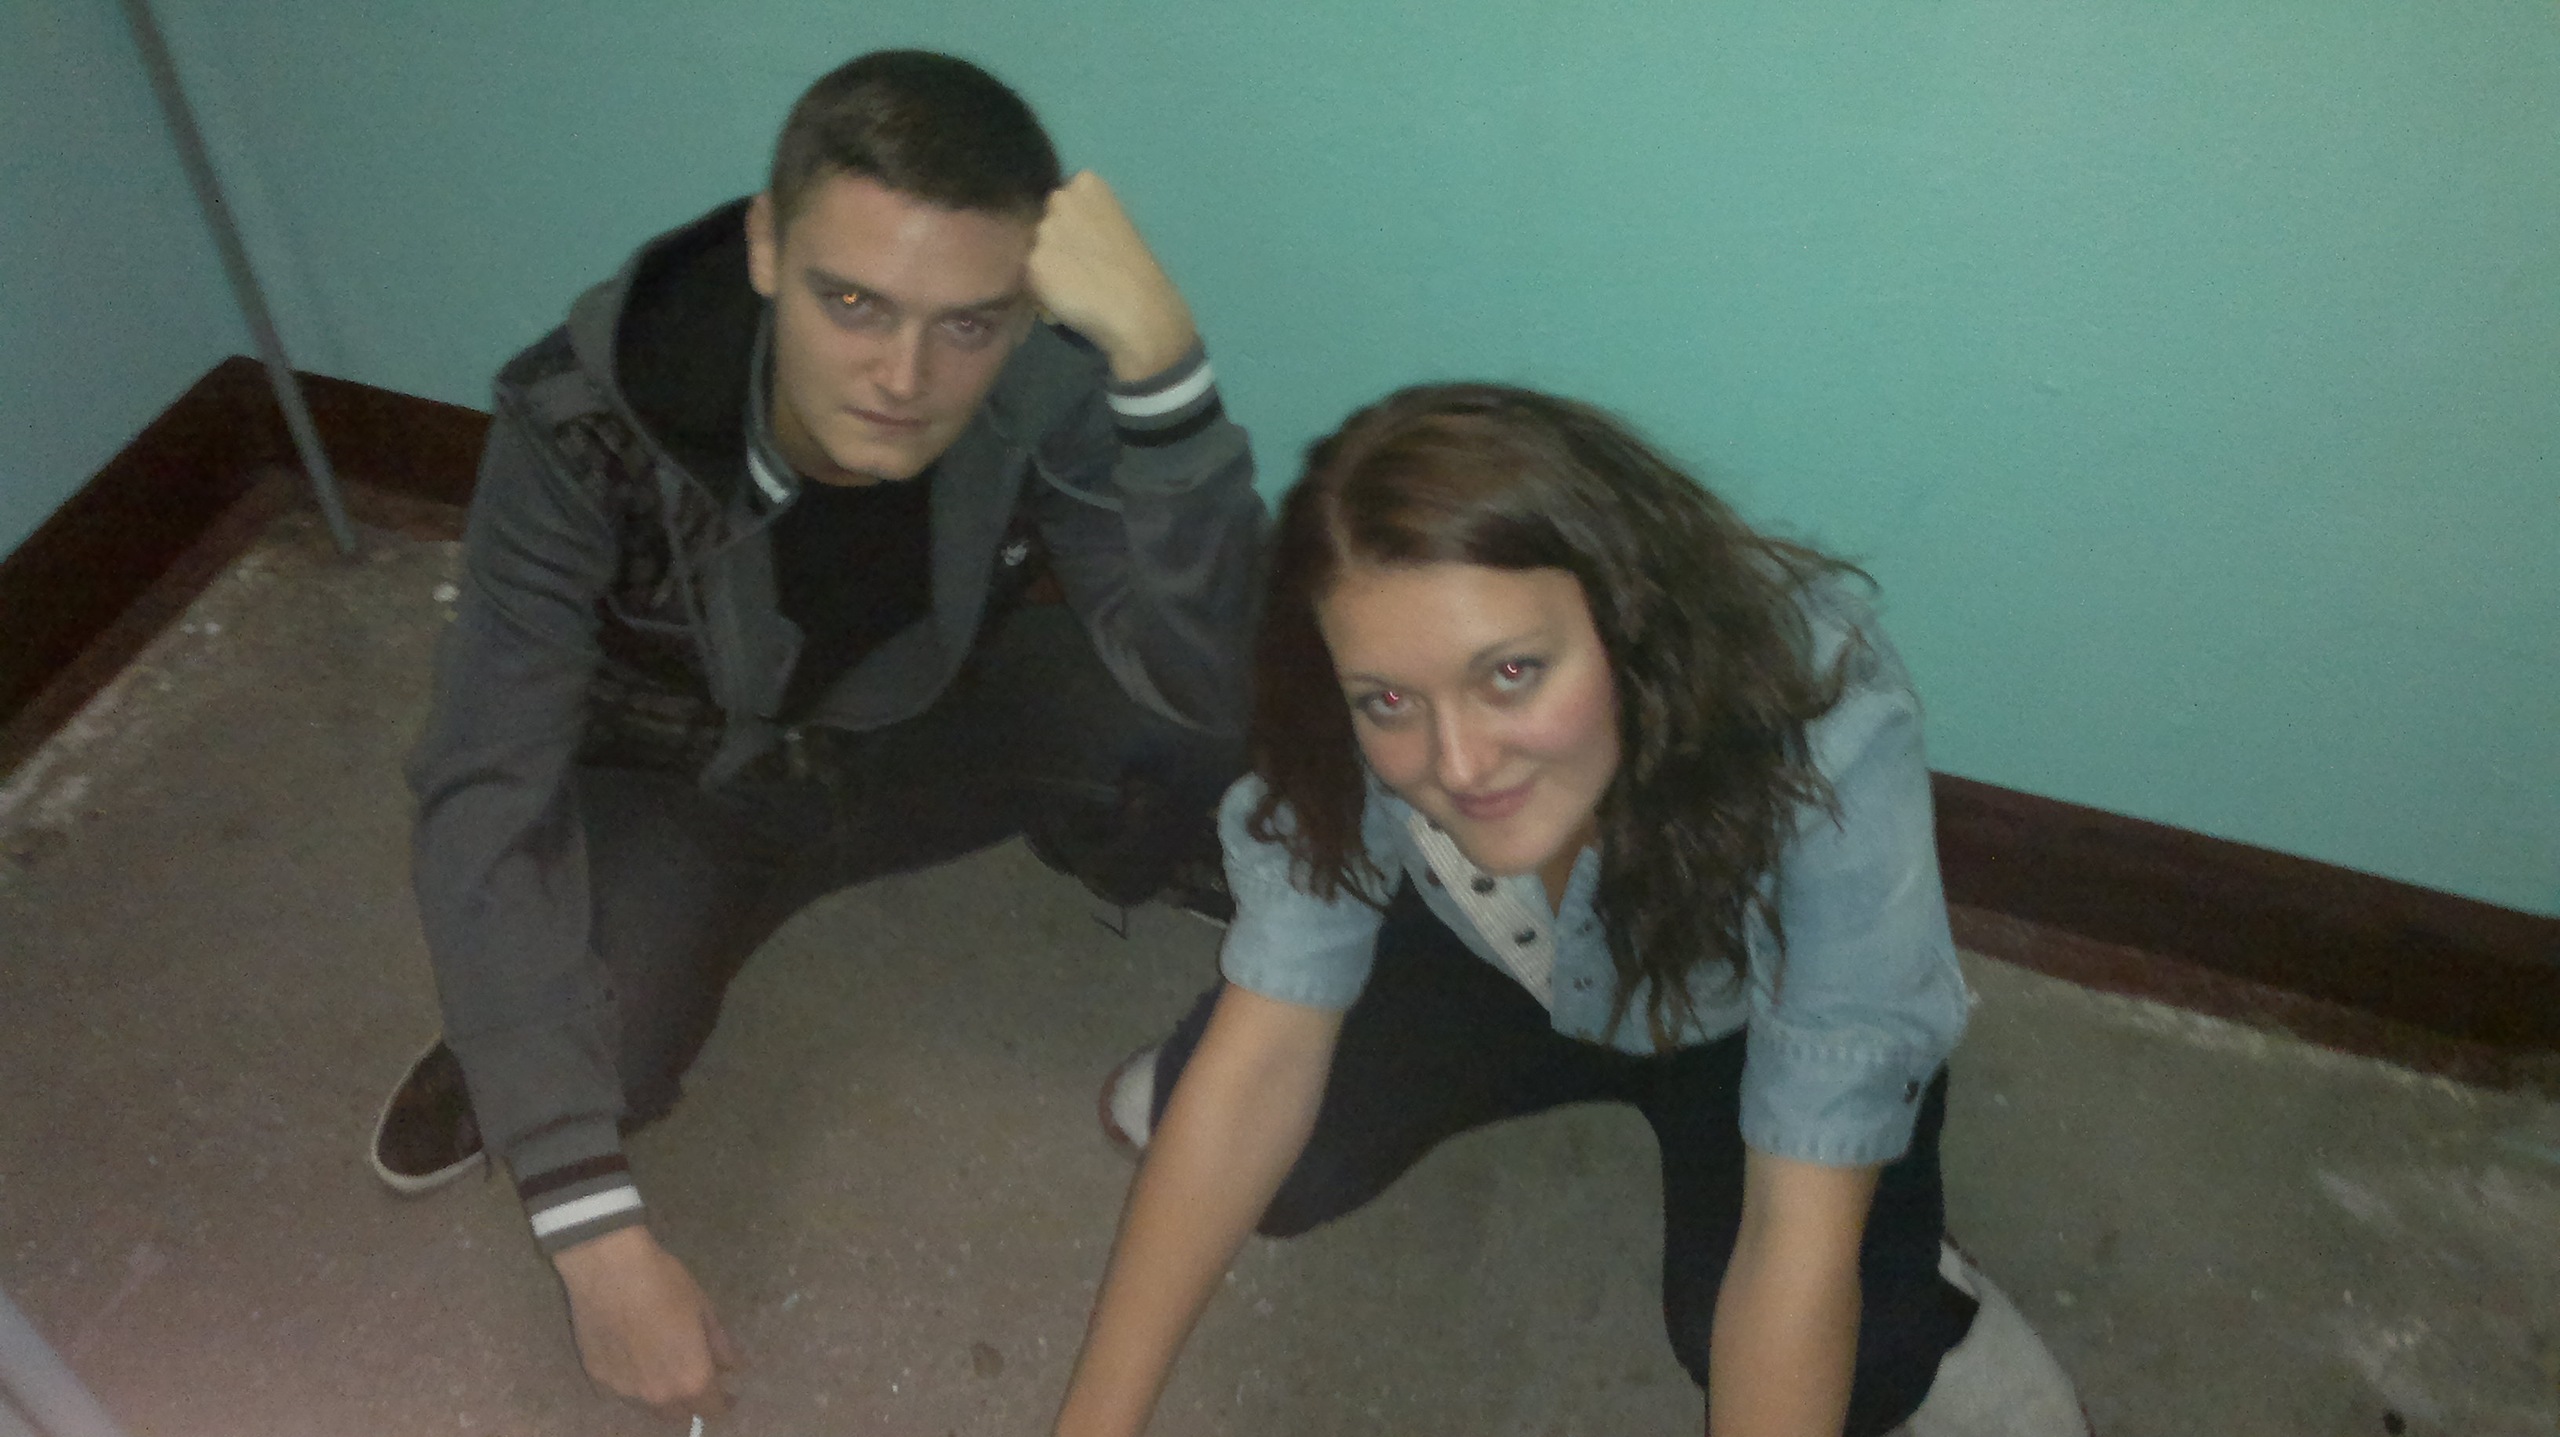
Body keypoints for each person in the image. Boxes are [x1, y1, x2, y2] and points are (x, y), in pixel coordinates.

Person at [370, 50, 1263, 1420]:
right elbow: (487, 780)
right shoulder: (582, 426)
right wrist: (588, 1228)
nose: (905, 377)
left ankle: (1114, 840)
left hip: (918, 730)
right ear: (766, 247)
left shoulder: (1049, 377)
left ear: (1026, 305)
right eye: (853, 302)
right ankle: (520, 1030)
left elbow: (1213, 680)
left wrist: (1168, 376)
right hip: (681, 786)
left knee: (1184, 733)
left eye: (968, 324)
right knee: (580, 1080)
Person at [1052, 385, 2087, 1436]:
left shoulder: (1820, 723)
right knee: (1244, 1143)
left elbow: (1795, 1234)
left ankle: (1924, 1286)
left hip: (1744, 1014)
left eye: (1510, 672)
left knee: (1843, 1356)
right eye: (1390, 701)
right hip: (1494, 954)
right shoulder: (1357, 665)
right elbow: (1269, 1048)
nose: (1458, 764)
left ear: (1628, 620)